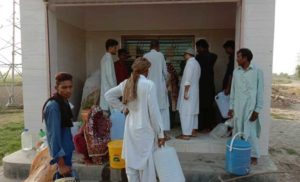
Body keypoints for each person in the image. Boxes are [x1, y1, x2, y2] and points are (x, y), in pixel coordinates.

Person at [105, 57, 165, 182]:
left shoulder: (126, 83)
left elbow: (108, 95)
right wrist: (160, 133)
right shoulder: (149, 85)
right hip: (145, 130)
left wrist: (123, 108)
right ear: (146, 70)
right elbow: (154, 113)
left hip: (130, 129)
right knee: (146, 167)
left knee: (131, 165)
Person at [228, 48, 264, 165]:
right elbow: (233, 90)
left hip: (250, 108)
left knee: (251, 132)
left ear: (245, 58)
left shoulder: (257, 71)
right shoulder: (236, 72)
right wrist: (231, 107)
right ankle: (240, 154)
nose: (237, 59)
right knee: (238, 131)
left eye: (239, 57)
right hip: (238, 107)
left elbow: (260, 92)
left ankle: (254, 156)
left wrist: (257, 110)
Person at [42, 72, 75, 178]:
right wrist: (61, 165)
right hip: (62, 158)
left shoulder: (64, 102)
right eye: (64, 87)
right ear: (56, 88)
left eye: (70, 87)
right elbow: (53, 136)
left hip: (67, 153)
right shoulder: (53, 107)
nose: (68, 90)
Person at [144, 40, 170, 137]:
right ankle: (163, 133)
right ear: (158, 47)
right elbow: (165, 72)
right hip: (160, 87)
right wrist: (167, 83)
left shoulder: (145, 56)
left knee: (150, 109)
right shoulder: (160, 55)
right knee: (163, 110)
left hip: (148, 87)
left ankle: (151, 132)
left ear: (150, 46)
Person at [176, 48, 201, 140]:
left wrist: (186, 92)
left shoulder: (190, 63)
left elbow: (188, 79)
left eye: (184, 54)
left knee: (185, 112)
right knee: (193, 112)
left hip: (189, 91)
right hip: (194, 91)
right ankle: (193, 130)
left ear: (188, 54)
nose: (184, 56)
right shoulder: (197, 63)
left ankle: (186, 134)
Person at [195, 39, 217, 132]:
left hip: (201, 85)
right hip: (209, 85)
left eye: (198, 48)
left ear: (202, 47)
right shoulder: (212, 56)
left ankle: (202, 126)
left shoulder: (199, 57)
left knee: (201, 107)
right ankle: (208, 126)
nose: (197, 50)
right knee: (208, 106)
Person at [100, 39, 119, 111]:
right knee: (112, 111)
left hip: (107, 88)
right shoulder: (108, 58)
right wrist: (115, 89)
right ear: (110, 47)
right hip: (109, 88)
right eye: (115, 47)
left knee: (108, 110)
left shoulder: (105, 57)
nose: (116, 50)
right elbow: (110, 76)